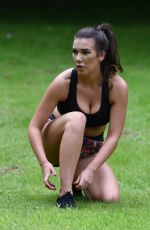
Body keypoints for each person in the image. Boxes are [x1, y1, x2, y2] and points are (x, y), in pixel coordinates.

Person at [28, 23, 128, 209]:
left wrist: (91, 169)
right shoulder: (64, 82)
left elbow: (113, 136)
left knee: (109, 197)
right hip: (54, 142)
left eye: (85, 52)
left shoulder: (117, 87)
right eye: (75, 52)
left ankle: (75, 179)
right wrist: (44, 162)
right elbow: (34, 126)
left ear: (101, 55)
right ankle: (65, 193)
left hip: (88, 150)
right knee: (77, 118)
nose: (78, 58)